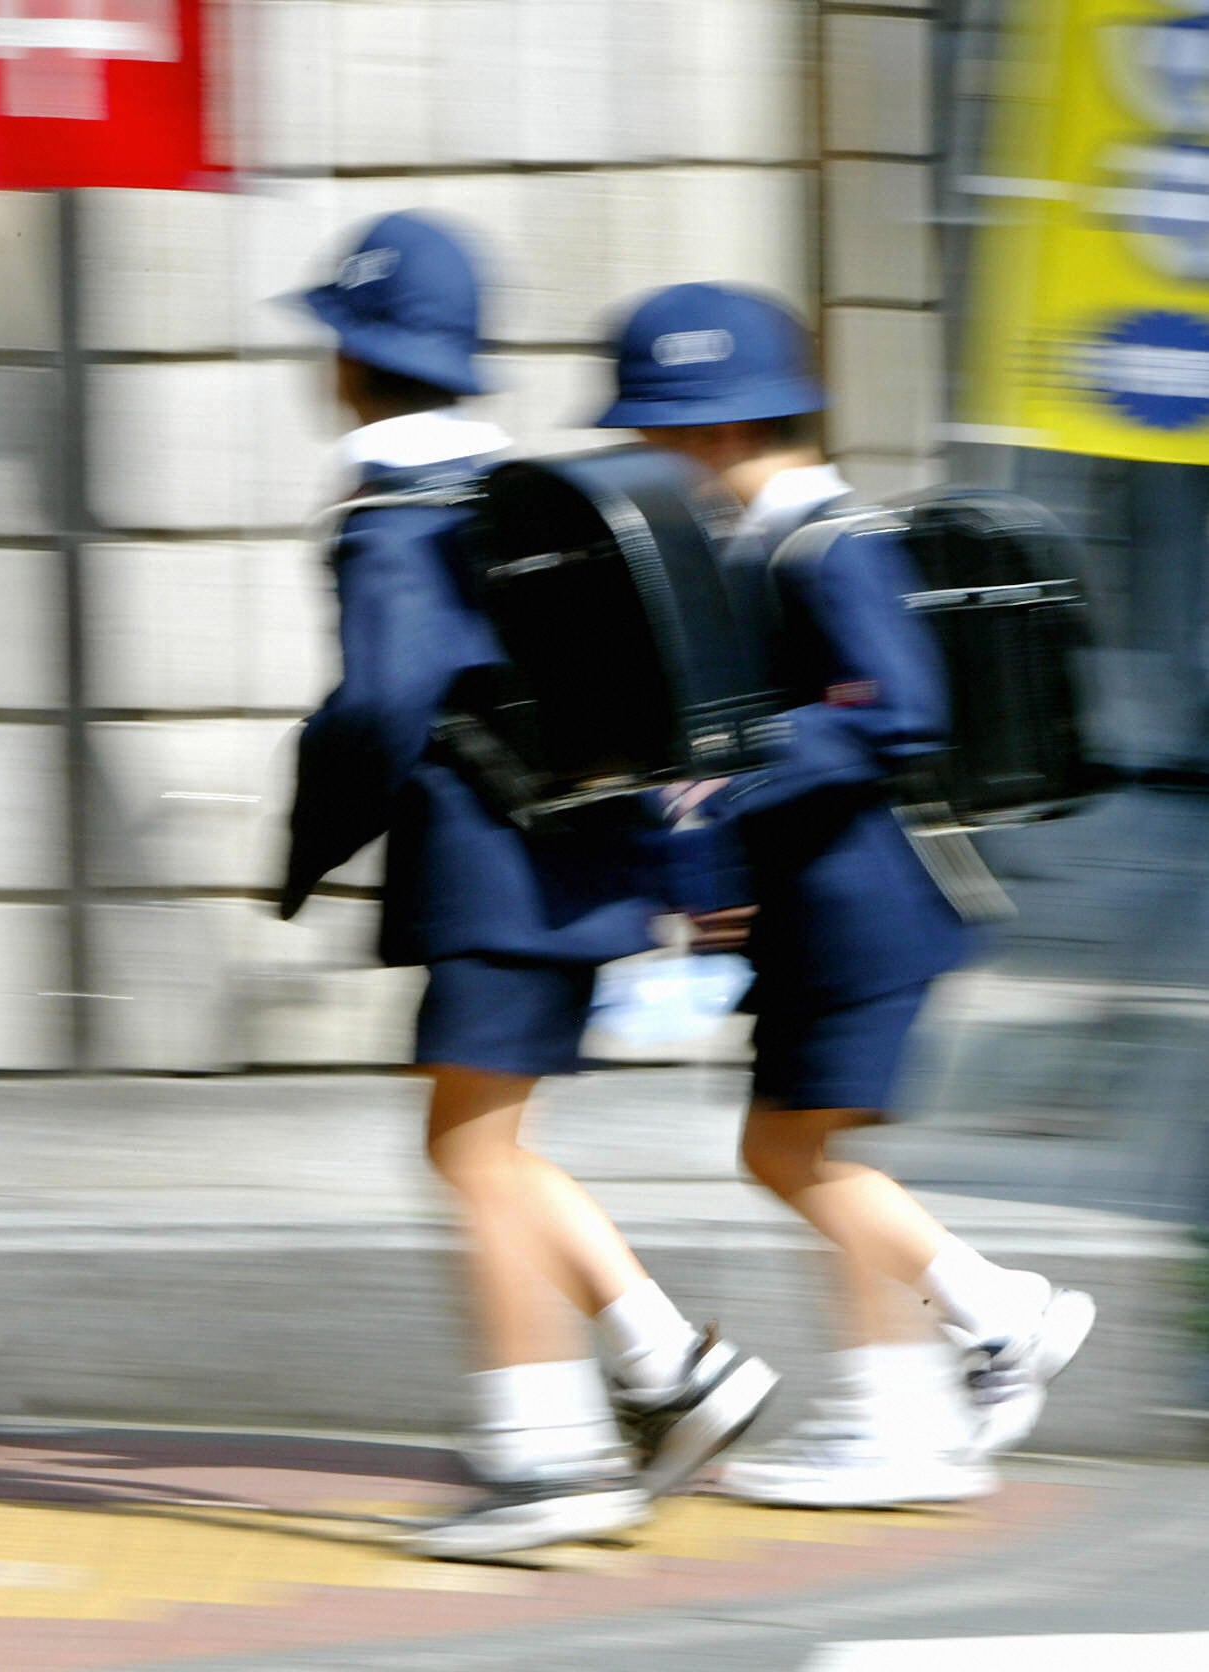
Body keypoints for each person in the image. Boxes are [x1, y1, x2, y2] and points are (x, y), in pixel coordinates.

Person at [281, 215, 778, 1561]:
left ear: (350, 353)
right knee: (494, 1143)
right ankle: (675, 1366)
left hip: (485, 876)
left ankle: (543, 1453)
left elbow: (383, 703)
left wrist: (311, 827)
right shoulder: (509, 494)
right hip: (576, 866)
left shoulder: (390, 510)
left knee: (467, 1152)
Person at [594, 282, 1096, 1507]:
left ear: (716, 431)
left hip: (865, 903)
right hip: (827, 905)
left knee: (795, 1155)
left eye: (657, 431)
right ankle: (907, 1406)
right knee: (800, 1149)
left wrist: (728, 784)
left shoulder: (830, 544)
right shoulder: (767, 547)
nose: (646, 456)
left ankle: (987, 1327)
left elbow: (898, 708)